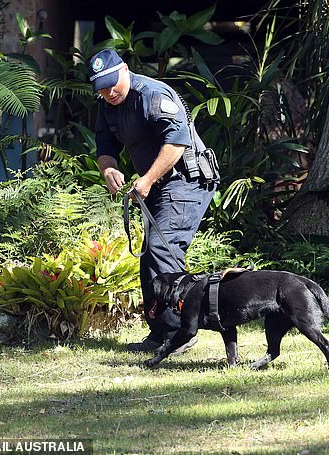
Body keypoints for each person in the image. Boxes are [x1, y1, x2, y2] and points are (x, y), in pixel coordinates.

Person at [89, 49, 216, 353]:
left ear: (125, 70)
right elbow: (105, 147)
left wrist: (145, 180)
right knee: (150, 256)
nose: (109, 92)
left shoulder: (152, 94)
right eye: (102, 88)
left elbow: (177, 141)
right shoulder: (108, 106)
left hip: (187, 180)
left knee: (163, 250)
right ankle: (162, 334)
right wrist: (108, 169)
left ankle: (182, 333)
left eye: (112, 84)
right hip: (159, 184)